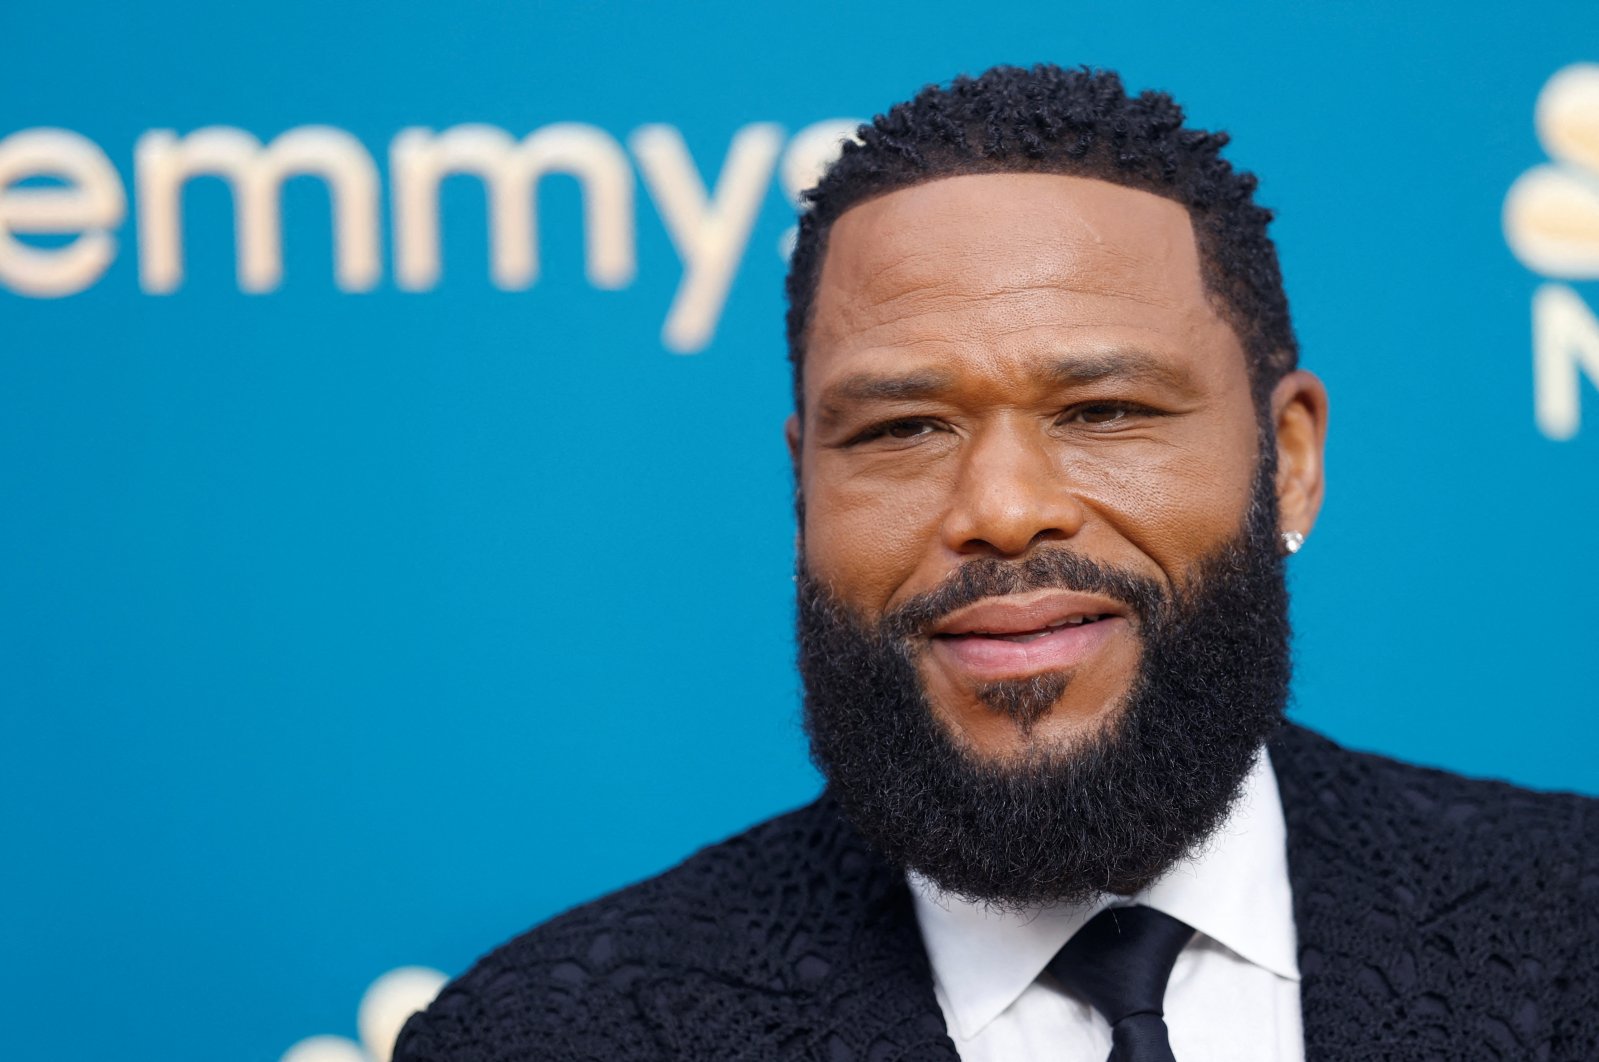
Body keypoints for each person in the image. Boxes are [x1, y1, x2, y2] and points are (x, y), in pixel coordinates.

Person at [393, 64, 1598, 1061]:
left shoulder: (1573, 919)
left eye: (1105, 409)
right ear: (803, 483)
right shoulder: (550, 1035)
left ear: (1287, 459)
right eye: (903, 429)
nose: (1005, 510)